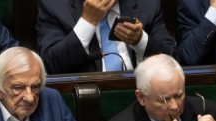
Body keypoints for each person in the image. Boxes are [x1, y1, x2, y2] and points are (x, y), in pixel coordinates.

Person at [36, 0, 178, 74]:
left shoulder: (147, 3)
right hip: (88, 102)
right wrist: (87, 22)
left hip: (144, 95)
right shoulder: (54, 5)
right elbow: (50, 65)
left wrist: (140, 40)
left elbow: (173, 59)